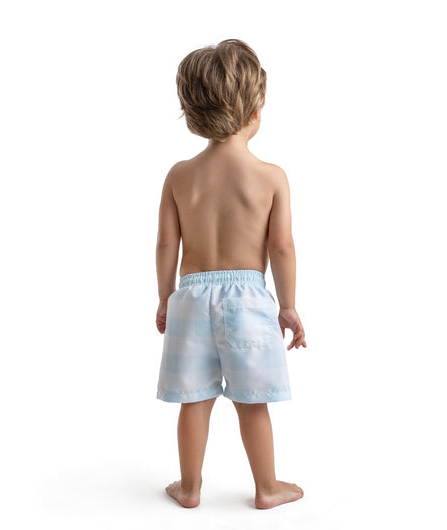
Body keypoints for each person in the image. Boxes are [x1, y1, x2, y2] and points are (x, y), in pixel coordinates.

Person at [155, 38, 307, 510]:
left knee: (194, 400)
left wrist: (164, 298)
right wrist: (288, 305)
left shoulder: (179, 175)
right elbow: (281, 247)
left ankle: (189, 488)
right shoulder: (270, 176)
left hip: (190, 297)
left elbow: (167, 245)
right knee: (252, 400)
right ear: (255, 111)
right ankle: (267, 487)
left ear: (193, 112)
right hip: (249, 299)